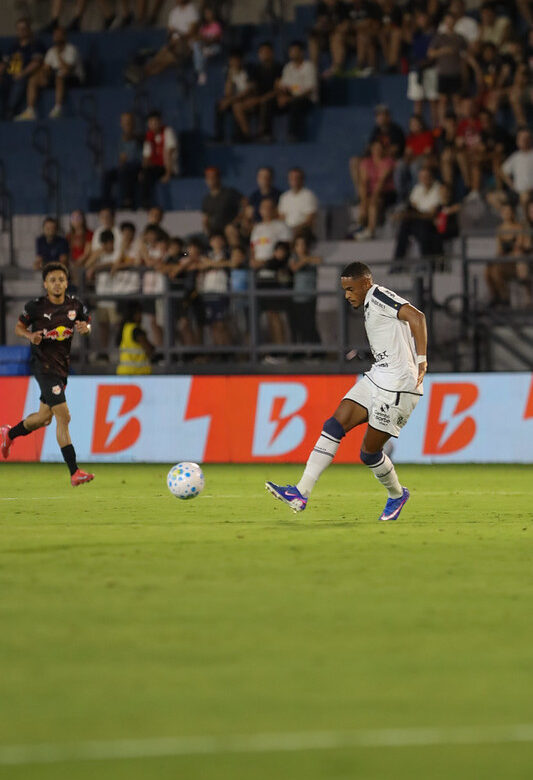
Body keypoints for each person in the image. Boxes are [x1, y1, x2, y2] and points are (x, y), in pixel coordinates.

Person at [266, 261, 427, 521]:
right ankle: (300, 492)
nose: (347, 295)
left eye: (351, 289)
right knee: (333, 425)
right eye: (344, 290)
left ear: (366, 283)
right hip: (378, 376)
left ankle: (397, 495)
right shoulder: (370, 303)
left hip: (399, 386)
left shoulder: (379, 295)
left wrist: (422, 360)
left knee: (369, 453)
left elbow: (417, 317)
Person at [0, 262, 94, 486]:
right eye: (52, 280)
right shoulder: (35, 307)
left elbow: (87, 324)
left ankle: (9, 434)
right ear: (45, 284)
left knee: (44, 418)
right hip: (43, 367)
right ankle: (74, 471)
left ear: (67, 282)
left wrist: (86, 329)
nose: (57, 283)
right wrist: (30, 336)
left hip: (61, 369)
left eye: (61, 279)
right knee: (64, 416)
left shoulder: (75, 305)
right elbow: (19, 327)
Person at [16, 26, 84, 120]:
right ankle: (30, 110)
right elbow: (46, 68)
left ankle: (58, 108)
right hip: (57, 76)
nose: (56, 37)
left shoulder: (71, 49)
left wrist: (58, 54)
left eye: (59, 35)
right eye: (55, 35)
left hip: (74, 78)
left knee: (60, 76)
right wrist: (44, 75)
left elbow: (67, 68)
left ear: (64, 36)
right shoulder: (51, 51)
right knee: (33, 79)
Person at [141, 0, 204, 83]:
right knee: (162, 54)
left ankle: (145, 72)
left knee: (166, 58)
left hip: (187, 44)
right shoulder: (174, 12)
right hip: (175, 42)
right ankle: (145, 71)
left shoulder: (192, 11)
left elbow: (191, 34)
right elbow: (170, 33)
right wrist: (172, 41)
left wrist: (177, 34)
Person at [232, 42, 282, 143]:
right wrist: (251, 99)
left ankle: (264, 134)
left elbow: (278, 89)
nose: (265, 54)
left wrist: (262, 98)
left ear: (272, 53)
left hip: (273, 99)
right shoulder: (255, 69)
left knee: (265, 102)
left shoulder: (278, 68)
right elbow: (252, 87)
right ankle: (246, 135)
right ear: (259, 54)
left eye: (267, 52)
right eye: (262, 52)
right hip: (258, 99)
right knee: (237, 106)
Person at [392, 166, 443, 264]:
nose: (424, 179)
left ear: (432, 177)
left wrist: (414, 214)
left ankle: (427, 263)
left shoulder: (438, 189)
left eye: (426, 176)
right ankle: (398, 262)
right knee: (404, 227)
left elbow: (432, 214)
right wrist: (414, 214)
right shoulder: (417, 189)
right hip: (417, 221)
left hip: (431, 224)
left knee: (423, 229)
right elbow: (413, 206)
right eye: (422, 177)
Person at [485, 201, 528, 307]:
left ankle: (505, 298)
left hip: (515, 264)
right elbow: (499, 250)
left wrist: (505, 257)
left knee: (496, 271)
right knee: (487, 271)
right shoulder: (499, 229)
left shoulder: (518, 227)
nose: (506, 213)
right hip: (503, 261)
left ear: (512, 213)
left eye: (509, 211)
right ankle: (495, 296)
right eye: (504, 211)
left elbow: (518, 249)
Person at [428, 12, 468, 123]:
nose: (449, 23)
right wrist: (443, 51)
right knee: (443, 100)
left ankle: (460, 123)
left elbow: (466, 55)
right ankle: (441, 125)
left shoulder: (460, 38)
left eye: (451, 20)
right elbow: (430, 53)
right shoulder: (439, 37)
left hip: (456, 72)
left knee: (457, 100)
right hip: (443, 73)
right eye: (447, 20)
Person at [3, 19, 45, 120]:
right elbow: (4, 63)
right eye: (19, 29)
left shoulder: (35, 45)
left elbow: (36, 62)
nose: (21, 31)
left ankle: (9, 110)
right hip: (10, 74)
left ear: (29, 30)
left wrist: (22, 73)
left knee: (19, 81)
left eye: (24, 29)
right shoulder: (14, 46)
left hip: (24, 75)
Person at [277, 41, 318, 142]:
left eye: (295, 51)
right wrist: (282, 97)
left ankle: (293, 134)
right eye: (291, 51)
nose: (293, 53)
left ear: (302, 52)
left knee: (295, 103)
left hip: (307, 99)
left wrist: (291, 98)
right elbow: (283, 86)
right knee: (269, 103)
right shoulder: (288, 67)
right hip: (291, 98)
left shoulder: (309, 66)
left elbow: (309, 90)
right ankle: (265, 134)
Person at [354, 139, 396, 240]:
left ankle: (371, 230)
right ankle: (361, 225)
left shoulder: (388, 161)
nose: (377, 151)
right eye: (375, 148)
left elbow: (381, 182)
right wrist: (364, 201)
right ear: (371, 149)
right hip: (371, 192)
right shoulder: (366, 162)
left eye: (379, 148)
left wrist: (373, 198)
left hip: (386, 193)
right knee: (364, 203)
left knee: (373, 203)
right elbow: (363, 183)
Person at [101, 112, 142, 209]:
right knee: (108, 175)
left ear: (133, 124)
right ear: (121, 124)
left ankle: (127, 201)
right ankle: (106, 205)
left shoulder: (140, 140)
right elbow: (119, 160)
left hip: (136, 168)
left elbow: (143, 158)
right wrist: (121, 161)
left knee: (124, 170)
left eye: (129, 122)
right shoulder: (120, 141)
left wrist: (142, 170)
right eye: (125, 122)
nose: (127, 124)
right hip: (123, 169)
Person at [213, 49, 254, 143]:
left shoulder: (249, 70)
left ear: (241, 60)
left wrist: (230, 100)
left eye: (236, 60)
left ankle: (246, 135)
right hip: (235, 99)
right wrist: (230, 77)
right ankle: (219, 135)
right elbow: (227, 93)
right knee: (219, 105)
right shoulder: (229, 72)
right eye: (232, 60)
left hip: (249, 99)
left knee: (236, 106)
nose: (234, 63)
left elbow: (248, 91)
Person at [140, 111, 179, 208]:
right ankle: (141, 204)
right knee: (143, 175)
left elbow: (169, 153)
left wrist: (168, 173)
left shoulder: (168, 132)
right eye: (151, 122)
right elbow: (146, 157)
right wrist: (142, 171)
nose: (153, 124)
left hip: (168, 167)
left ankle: (149, 204)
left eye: (156, 121)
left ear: (160, 121)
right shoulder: (149, 136)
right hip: (155, 167)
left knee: (148, 175)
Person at [288, 233, 321, 346]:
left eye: (303, 244)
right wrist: (305, 261)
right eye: (298, 245)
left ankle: (317, 351)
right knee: (299, 326)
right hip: (297, 297)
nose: (301, 247)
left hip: (311, 297)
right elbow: (294, 267)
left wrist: (306, 259)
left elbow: (319, 260)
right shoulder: (294, 258)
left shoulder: (312, 257)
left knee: (310, 325)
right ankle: (301, 350)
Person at [202, 167, 244, 248]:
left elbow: (244, 203)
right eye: (208, 178)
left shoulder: (229, 193)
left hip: (230, 227)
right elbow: (205, 218)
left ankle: (236, 252)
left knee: (230, 230)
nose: (211, 180)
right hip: (215, 231)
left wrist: (238, 220)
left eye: (213, 177)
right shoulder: (206, 199)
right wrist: (207, 229)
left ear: (219, 178)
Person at [278, 167, 319, 238]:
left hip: (304, 234)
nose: (294, 180)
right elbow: (281, 218)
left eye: (297, 178)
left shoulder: (309, 196)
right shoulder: (284, 197)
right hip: (287, 233)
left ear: (302, 179)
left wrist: (294, 231)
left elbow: (310, 220)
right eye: (292, 178)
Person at [500, 128, 533, 214]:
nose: (523, 141)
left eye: (525, 138)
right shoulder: (515, 157)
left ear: (530, 139)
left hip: (530, 192)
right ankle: (510, 220)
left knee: (525, 197)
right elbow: (503, 171)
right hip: (516, 192)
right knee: (493, 197)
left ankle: (527, 221)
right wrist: (511, 185)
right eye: (520, 138)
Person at [116, 302, 153, 375]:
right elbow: (149, 349)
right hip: (137, 372)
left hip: (123, 372)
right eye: (140, 313)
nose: (141, 316)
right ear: (134, 314)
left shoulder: (125, 328)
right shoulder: (136, 331)